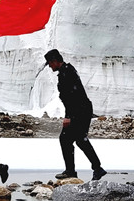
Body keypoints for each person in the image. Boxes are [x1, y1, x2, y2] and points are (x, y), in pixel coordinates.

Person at [44, 49, 106, 181]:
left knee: (69, 139)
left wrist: (69, 117)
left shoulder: (67, 73)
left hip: (80, 111)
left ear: (55, 61)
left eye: (50, 63)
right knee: (78, 140)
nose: (50, 66)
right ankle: (95, 168)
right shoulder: (66, 71)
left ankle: (74, 171)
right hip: (82, 110)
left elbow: (72, 98)